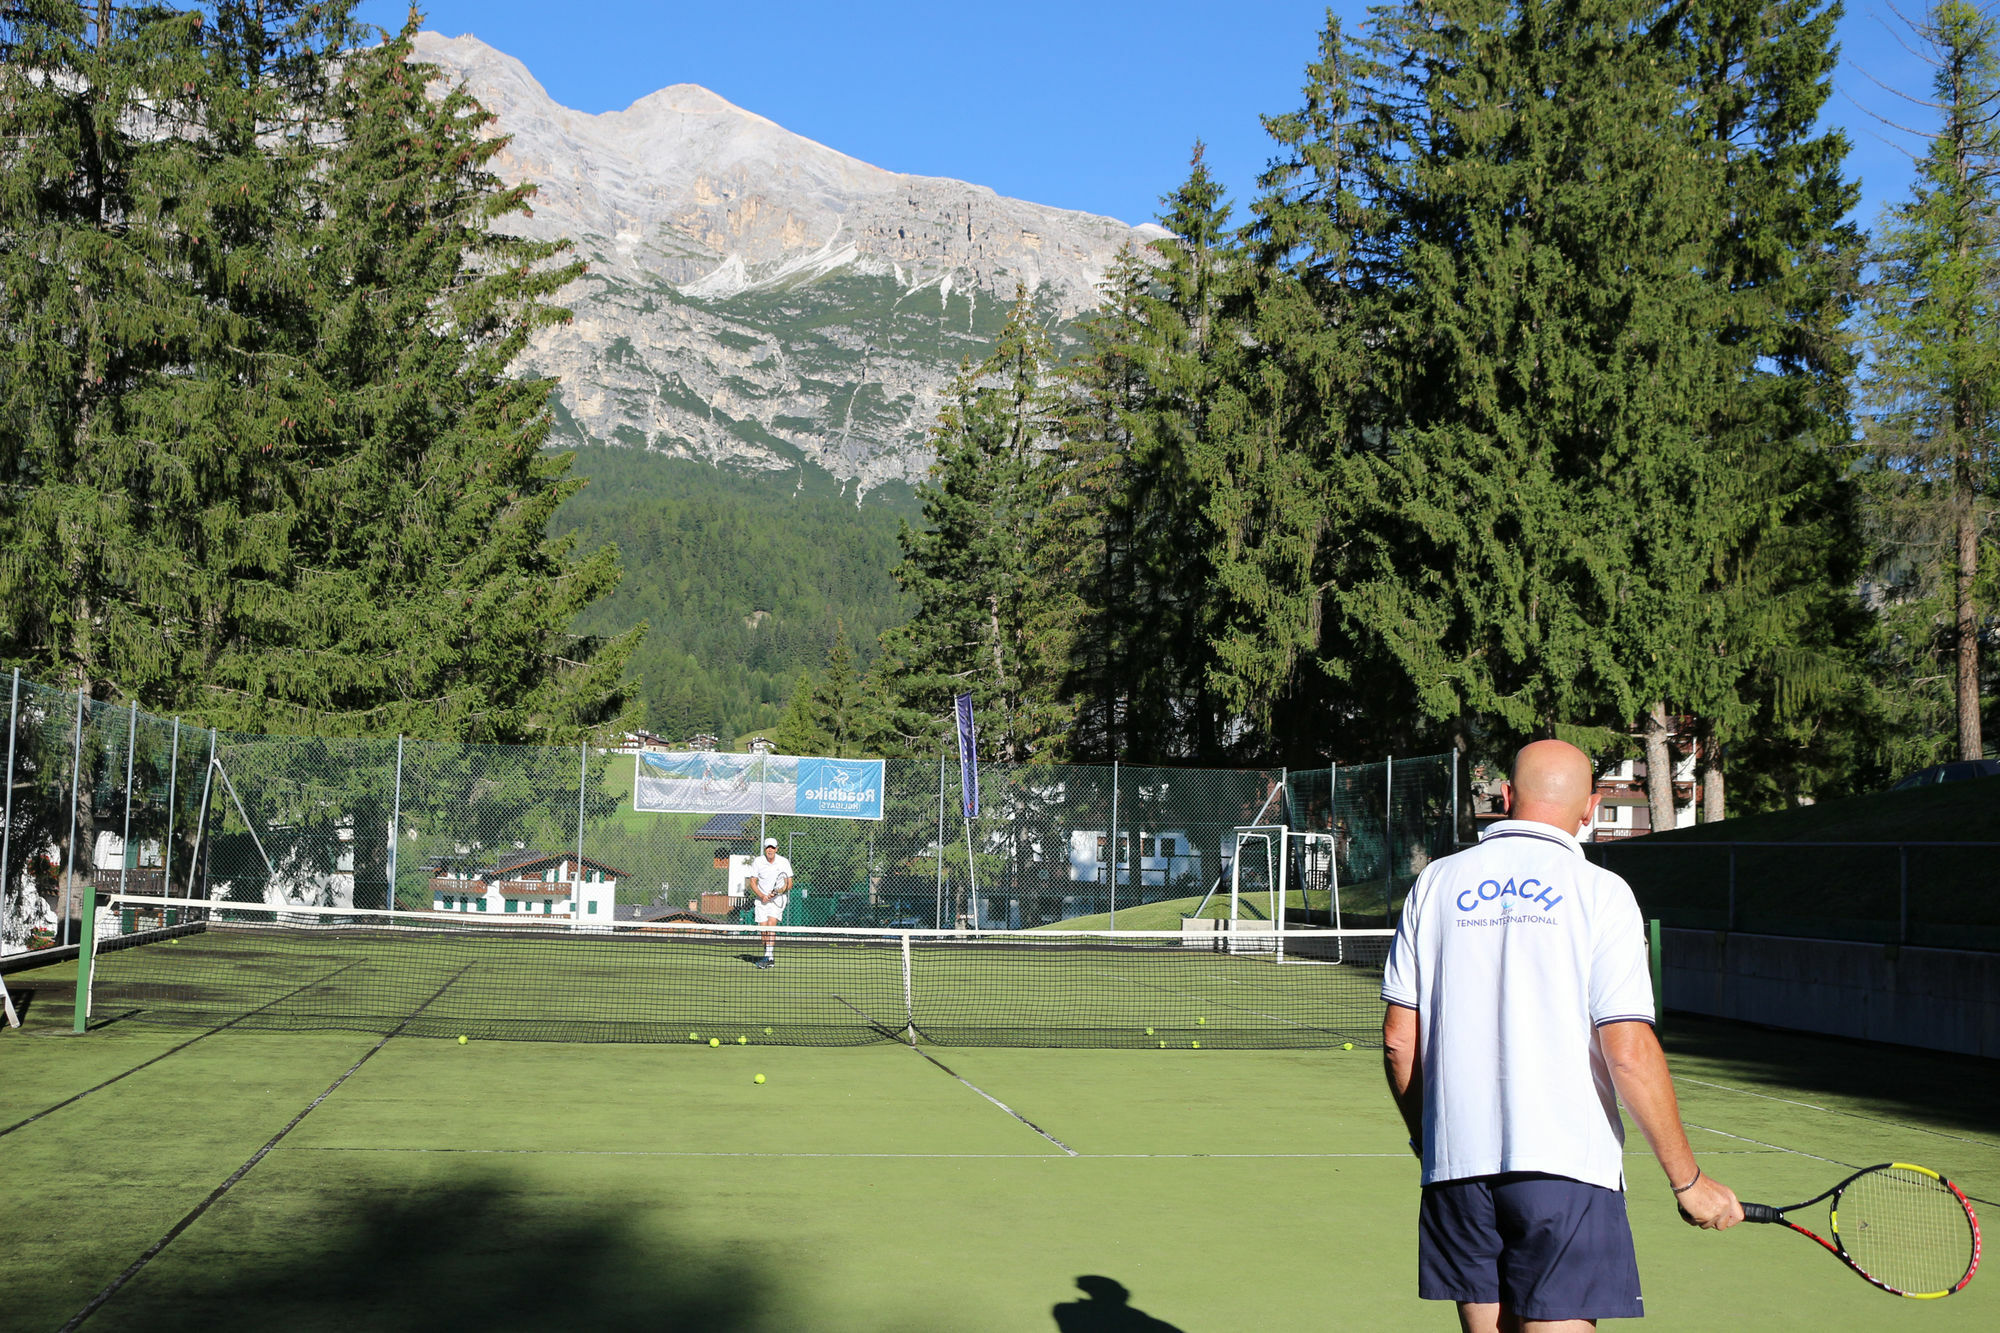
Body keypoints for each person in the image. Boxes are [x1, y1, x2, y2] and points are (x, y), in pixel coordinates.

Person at [1381, 739, 1742, 1331]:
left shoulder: (1436, 883)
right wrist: (1689, 1182)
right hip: (1567, 1173)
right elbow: (1626, 1051)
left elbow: (1400, 1041)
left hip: (1456, 1170)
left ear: (1505, 797)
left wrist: (1431, 1141)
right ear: (1592, 807)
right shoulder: (1601, 892)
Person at [748, 837, 792, 969]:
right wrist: (762, 896)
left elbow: (789, 884)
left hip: (777, 900)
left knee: (771, 925)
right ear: (765, 849)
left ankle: (768, 957)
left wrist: (778, 892)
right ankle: (768, 954)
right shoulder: (758, 862)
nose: (770, 850)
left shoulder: (783, 862)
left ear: (776, 849)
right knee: (763, 932)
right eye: (768, 848)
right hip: (761, 901)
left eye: (773, 848)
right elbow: (752, 882)